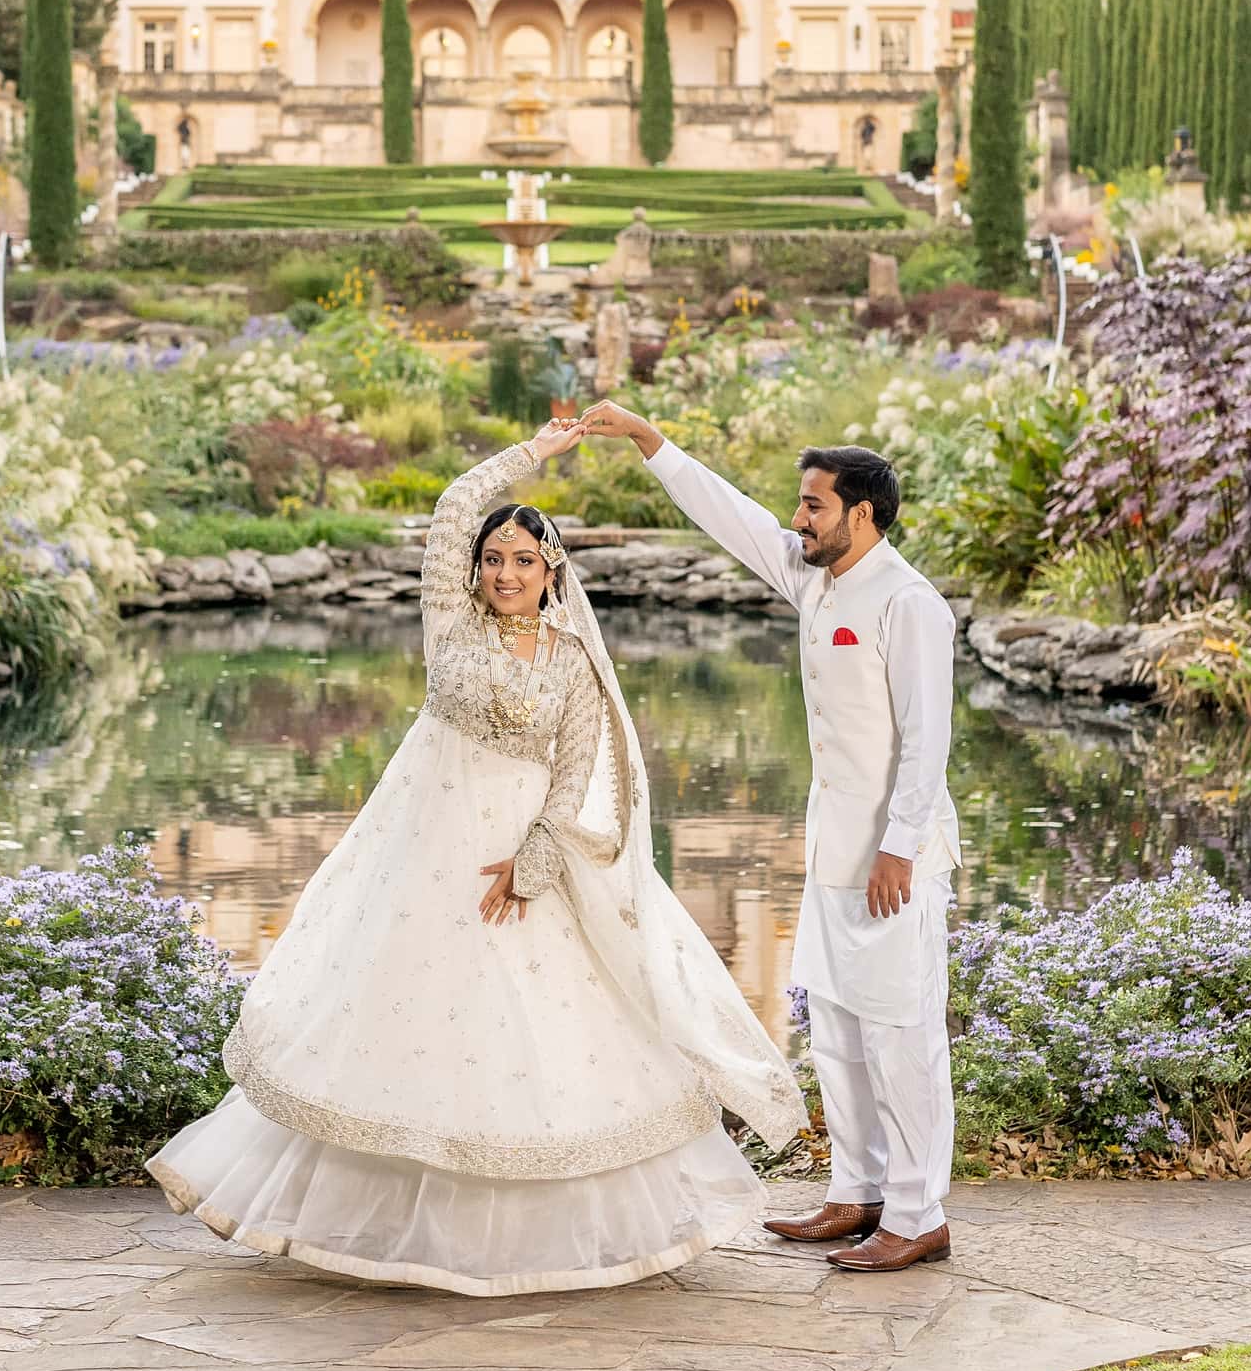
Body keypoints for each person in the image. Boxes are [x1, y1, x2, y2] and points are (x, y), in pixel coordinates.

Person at [149, 425, 807, 1296]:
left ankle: (537, 1238)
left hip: (522, 864)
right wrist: (537, 449)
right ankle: (375, 1226)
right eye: (494, 558)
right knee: (403, 1024)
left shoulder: (573, 661)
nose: (504, 572)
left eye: (524, 561)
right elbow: (457, 502)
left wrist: (534, 862)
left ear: (551, 573)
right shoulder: (449, 626)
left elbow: (577, 771)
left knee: (537, 1031)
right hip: (423, 856)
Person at [575, 401, 961, 1274]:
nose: (797, 518)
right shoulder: (814, 577)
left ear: (861, 513)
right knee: (836, 1029)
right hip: (833, 851)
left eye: (814, 506)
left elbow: (928, 740)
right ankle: (856, 1192)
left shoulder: (911, 604)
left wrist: (901, 847)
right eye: (800, 503)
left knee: (902, 1034)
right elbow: (734, 517)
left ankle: (917, 1213)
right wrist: (649, 441)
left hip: (896, 859)